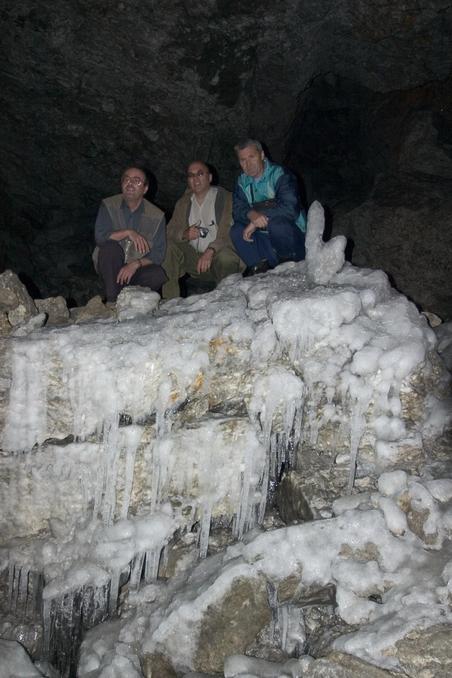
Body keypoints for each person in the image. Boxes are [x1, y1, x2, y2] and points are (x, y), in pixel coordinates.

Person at [162, 160, 242, 299]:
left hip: (218, 258)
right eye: (191, 175)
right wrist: (184, 234)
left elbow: (230, 232)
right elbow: (169, 231)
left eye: (200, 174)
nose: (195, 179)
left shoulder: (226, 198)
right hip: (194, 260)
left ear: (209, 177)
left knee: (226, 258)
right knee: (168, 247)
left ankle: (227, 300)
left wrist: (211, 250)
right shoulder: (183, 203)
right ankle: (170, 301)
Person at [230, 139, 307, 277]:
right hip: (266, 245)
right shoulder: (242, 181)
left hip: (292, 242)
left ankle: (289, 271)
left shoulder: (280, 174)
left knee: (277, 224)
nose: (248, 164)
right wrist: (251, 215)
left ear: (262, 155)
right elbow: (237, 209)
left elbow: (290, 208)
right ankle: (260, 272)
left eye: (251, 157)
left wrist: (259, 219)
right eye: (243, 160)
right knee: (236, 230)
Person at [93, 162, 167, 302]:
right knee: (110, 248)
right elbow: (100, 237)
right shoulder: (108, 205)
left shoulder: (157, 216)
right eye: (126, 179)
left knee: (157, 275)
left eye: (136, 181)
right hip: (111, 265)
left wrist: (135, 264)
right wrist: (128, 232)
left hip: (135, 270)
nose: (130, 183)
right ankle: (112, 301)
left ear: (145, 189)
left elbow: (158, 254)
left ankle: (130, 298)